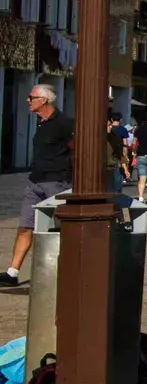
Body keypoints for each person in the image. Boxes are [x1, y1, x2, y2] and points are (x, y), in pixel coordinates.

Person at [3, 85, 71, 288]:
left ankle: (63, 272)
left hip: (56, 182)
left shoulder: (63, 123)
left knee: (59, 228)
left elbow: (75, 149)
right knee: (25, 226)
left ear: (43, 100)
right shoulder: (40, 122)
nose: (27, 100)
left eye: (30, 97)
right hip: (35, 182)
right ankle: (12, 273)